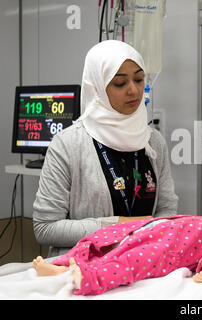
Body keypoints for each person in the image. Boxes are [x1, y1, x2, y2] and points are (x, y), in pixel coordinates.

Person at [33, 40, 178, 258]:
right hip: (83, 272)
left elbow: (167, 212)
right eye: (120, 83)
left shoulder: (153, 142)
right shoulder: (67, 145)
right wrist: (117, 226)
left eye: (139, 80)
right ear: (97, 88)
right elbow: (45, 228)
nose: (133, 90)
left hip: (143, 267)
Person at [32, 209, 202, 296]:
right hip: (152, 229)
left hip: (167, 252)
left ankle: (91, 278)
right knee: (104, 238)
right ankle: (64, 264)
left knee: (126, 263)